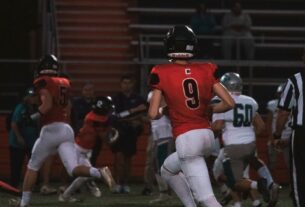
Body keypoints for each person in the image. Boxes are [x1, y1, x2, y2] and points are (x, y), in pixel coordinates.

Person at [148, 25, 235, 207]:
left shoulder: (160, 71)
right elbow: (229, 103)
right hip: (206, 136)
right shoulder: (207, 68)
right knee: (168, 170)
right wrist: (210, 110)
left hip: (187, 139)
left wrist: (166, 110)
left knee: (207, 198)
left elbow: (153, 113)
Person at [9, 54, 113, 207]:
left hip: (51, 129)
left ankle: (24, 204)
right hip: (66, 129)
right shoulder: (64, 82)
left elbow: (47, 105)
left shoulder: (43, 81)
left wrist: (31, 118)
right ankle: (98, 172)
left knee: (33, 166)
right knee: (72, 169)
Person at [211, 72, 280, 207]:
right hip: (250, 144)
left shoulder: (221, 101)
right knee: (252, 160)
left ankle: (261, 186)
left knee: (234, 182)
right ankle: (270, 183)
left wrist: (208, 132)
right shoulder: (250, 101)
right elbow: (261, 126)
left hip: (233, 146)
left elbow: (218, 126)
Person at [59, 96, 117, 202]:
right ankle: (101, 172)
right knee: (78, 173)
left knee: (84, 176)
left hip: (84, 150)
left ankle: (65, 196)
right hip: (77, 149)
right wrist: (111, 133)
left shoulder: (93, 115)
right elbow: (104, 139)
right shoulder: (95, 119)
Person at [273, 54, 305, 207]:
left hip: (301, 132)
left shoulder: (295, 80)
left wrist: (277, 134)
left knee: (299, 174)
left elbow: (284, 112)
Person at [111, 74, 147, 193]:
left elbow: (143, 116)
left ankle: (125, 183)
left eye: (129, 83)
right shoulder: (116, 99)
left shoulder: (139, 98)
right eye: (124, 83)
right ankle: (117, 182)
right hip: (119, 131)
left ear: (133, 84)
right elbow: (117, 117)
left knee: (128, 159)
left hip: (131, 133)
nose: (126, 85)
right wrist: (133, 112)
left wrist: (134, 117)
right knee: (119, 158)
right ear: (121, 84)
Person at [8, 88, 40, 188]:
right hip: (18, 142)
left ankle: (34, 184)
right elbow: (14, 123)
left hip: (32, 141)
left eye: (35, 96)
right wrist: (19, 137)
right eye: (31, 96)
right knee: (16, 165)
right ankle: (14, 186)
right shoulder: (20, 107)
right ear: (26, 97)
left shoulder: (37, 108)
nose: (33, 98)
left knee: (34, 164)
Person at [147, 91, 174, 204]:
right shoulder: (151, 93)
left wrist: (164, 105)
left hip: (165, 133)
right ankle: (165, 192)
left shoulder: (167, 93)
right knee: (156, 164)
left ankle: (166, 193)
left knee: (163, 165)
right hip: (158, 133)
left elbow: (169, 111)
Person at [266, 83, 292, 172]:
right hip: (275, 137)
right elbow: (269, 123)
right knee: (271, 163)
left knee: (291, 164)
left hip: (288, 137)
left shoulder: (294, 104)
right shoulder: (273, 104)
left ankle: (292, 184)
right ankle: (271, 184)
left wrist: (289, 139)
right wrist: (271, 138)